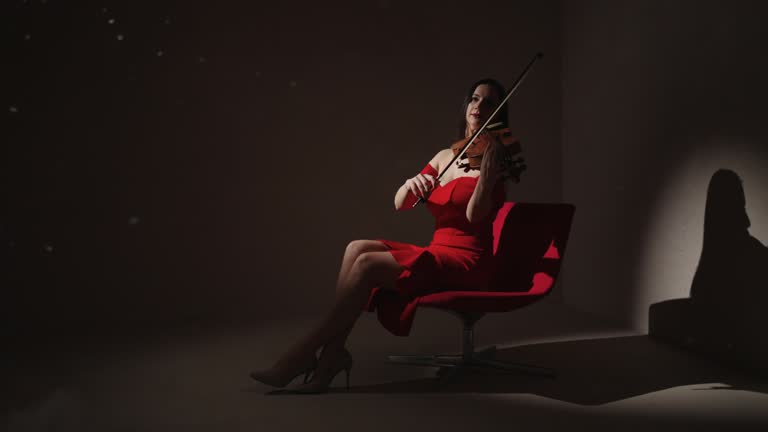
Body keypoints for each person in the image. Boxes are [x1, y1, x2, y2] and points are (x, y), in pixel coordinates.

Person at [249, 78, 514, 393]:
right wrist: (411, 182)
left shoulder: (497, 160)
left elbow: (474, 216)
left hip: (468, 262)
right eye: (474, 99)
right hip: (439, 251)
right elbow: (400, 204)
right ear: (466, 106)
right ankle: (332, 356)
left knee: (367, 266)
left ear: (498, 113)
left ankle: (299, 357)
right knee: (356, 248)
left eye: (488, 102)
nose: (479, 106)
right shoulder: (446, 156)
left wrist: (485, 177)